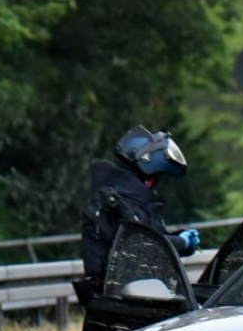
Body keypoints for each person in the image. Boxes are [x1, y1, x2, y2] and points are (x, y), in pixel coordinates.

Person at [76, 125, 200, 302]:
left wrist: (181, 241)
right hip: (120, 300)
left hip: (128, 296)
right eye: (154, 179)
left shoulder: (128, 198)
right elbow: (143, 245)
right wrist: (181, 242)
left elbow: (151, 237)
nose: (153, 186)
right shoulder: (119, 201)